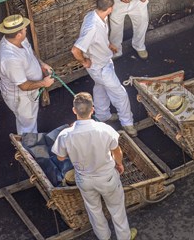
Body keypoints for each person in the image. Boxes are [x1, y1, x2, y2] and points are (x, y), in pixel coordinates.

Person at [52, 92, 137, 240]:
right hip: (107, 177)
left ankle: (104, 238)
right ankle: (125, 237)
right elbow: (117, 151)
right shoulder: (105, 129)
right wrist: (119, 164)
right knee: (117, 209)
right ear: (93, 109)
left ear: (74, 110)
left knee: (94, 211)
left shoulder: (65, 135)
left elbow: (60, 157)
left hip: (84, 180)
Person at [71, 0, 137, 137]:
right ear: (111, 8)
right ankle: (127, 123)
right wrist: (84, 61)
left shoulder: (93, 15)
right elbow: (75, 50)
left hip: (100, 64)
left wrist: (108, 45)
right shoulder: (92, 27)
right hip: (100, 67)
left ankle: (102, 115)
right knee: (120, 94)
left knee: (100, 87)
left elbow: (99, 39)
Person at [0, 15, 54, 134]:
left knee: (31, 117)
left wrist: (41, 64)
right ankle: (27, 148)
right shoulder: (10, 59)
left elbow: (29, 51)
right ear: (18, 35)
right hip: (20, 96)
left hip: (29, 92)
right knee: (27, 122)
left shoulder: (17, 39)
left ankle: (33, 140)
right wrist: (44, 83)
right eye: (24, 29)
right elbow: (22, 85)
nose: (26, 29)